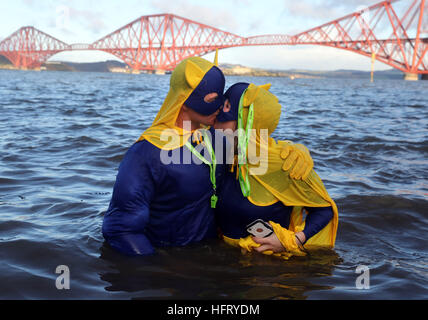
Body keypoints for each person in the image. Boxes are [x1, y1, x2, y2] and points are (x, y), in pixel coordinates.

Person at [102, 56, 227, 255]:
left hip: (209, 255)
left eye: (222, 97)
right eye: (212, 99)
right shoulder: (146, 153)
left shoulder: (216, 140)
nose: (220, 106)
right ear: (183, 100)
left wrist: (288, 153)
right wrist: (158, 275)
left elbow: (251, 169)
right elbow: (121, 229)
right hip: (170, 261)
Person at [214, 82, 339, 260]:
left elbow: (324, 209)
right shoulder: (223, 155)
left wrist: (293, 241)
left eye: (223, 118)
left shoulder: (286, 163)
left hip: (269, 269)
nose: (214, 123)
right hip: (225, 262)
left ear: (246, 123)